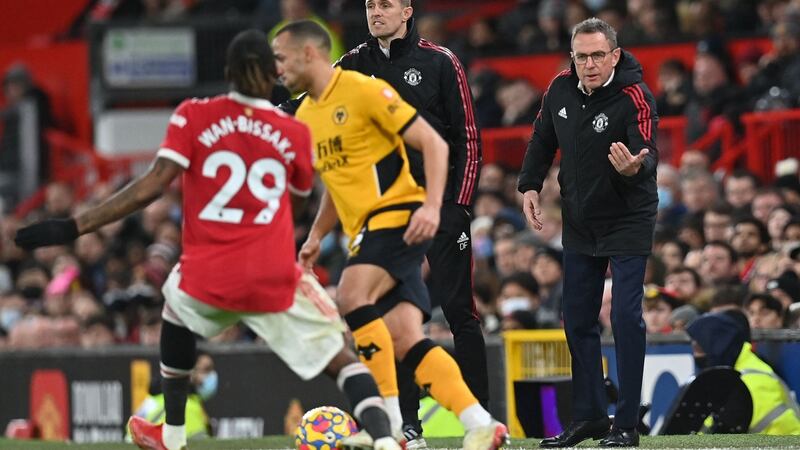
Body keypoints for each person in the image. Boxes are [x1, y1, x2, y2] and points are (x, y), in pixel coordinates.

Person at [14, 29, 398, 450]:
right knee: (341, 361)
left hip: (207, 271)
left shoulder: (195, 114)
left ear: (228, 73)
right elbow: (298, 202)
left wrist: (74, 226)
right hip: (270, 273)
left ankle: (173, 434)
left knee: (174, 310)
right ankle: (383, 439)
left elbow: (151, 186)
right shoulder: (294, 132)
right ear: (271, 73)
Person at [271, 20, 507, 450]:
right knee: (403, 334)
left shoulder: (362, 88)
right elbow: (337, 182)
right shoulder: (307, 114)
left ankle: (387, 425)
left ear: (309, 54)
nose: (277, 69)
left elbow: (435, 143)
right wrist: (316, 236)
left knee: (351, 295)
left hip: (399, 213)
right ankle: (479, 422)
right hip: (364, 226)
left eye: (282, 58)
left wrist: (436, 206)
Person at [517, 18, 658, 448]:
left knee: (624, 318)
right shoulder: (559, 88)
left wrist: (638, 165)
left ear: (614, 55)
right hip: (579, 220)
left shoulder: (635, 94)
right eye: (582, 56)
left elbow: (647, 145)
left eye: (599, 55)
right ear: (572, 57)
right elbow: (541, 139)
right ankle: (591, 417)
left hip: (628, 216)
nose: (590, 64)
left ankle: (628, 425)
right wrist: (529, 185)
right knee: (576, 319)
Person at [686, 312, 800, 434]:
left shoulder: (751, 382)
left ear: (718, 347)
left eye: (699, 349)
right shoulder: (731, 375)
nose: (696, 356)